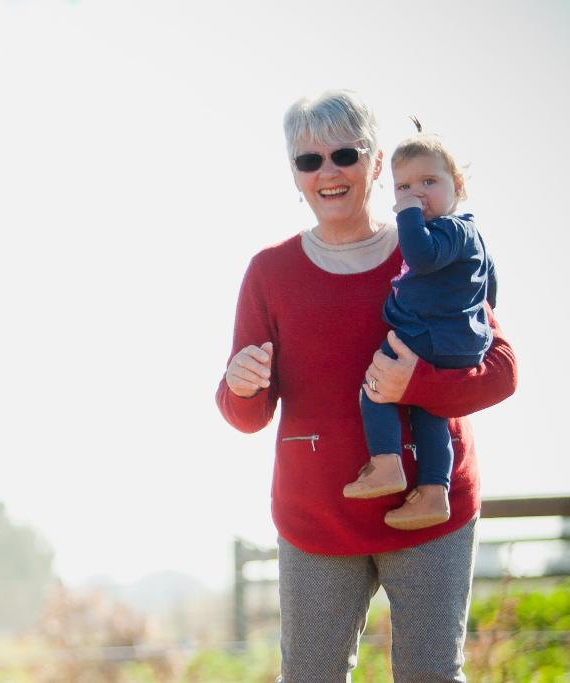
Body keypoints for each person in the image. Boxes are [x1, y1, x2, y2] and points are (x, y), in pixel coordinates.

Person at [217, 91, 516, 680]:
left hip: (431, 511)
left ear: (377, 164)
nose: (328, 172)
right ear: (295, 174)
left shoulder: (442, 249)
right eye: (309, 160)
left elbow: (501, 371)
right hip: (318, 518)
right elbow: (246, 415)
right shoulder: (269, 272)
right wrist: (239, 384)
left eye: (345, 154)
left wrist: (418, 381)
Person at [342, 123, 497, 531]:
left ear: (457, 183)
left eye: (428, 182)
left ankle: (386, 464)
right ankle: (433, 492)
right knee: (431, 415)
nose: (415, 194)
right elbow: (489, 288)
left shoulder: (450, 229)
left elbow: (423, 257)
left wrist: (407, 214)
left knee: (375, 388)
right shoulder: (474, 238)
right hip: (450, 341)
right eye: (403, 187)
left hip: (427, 338)